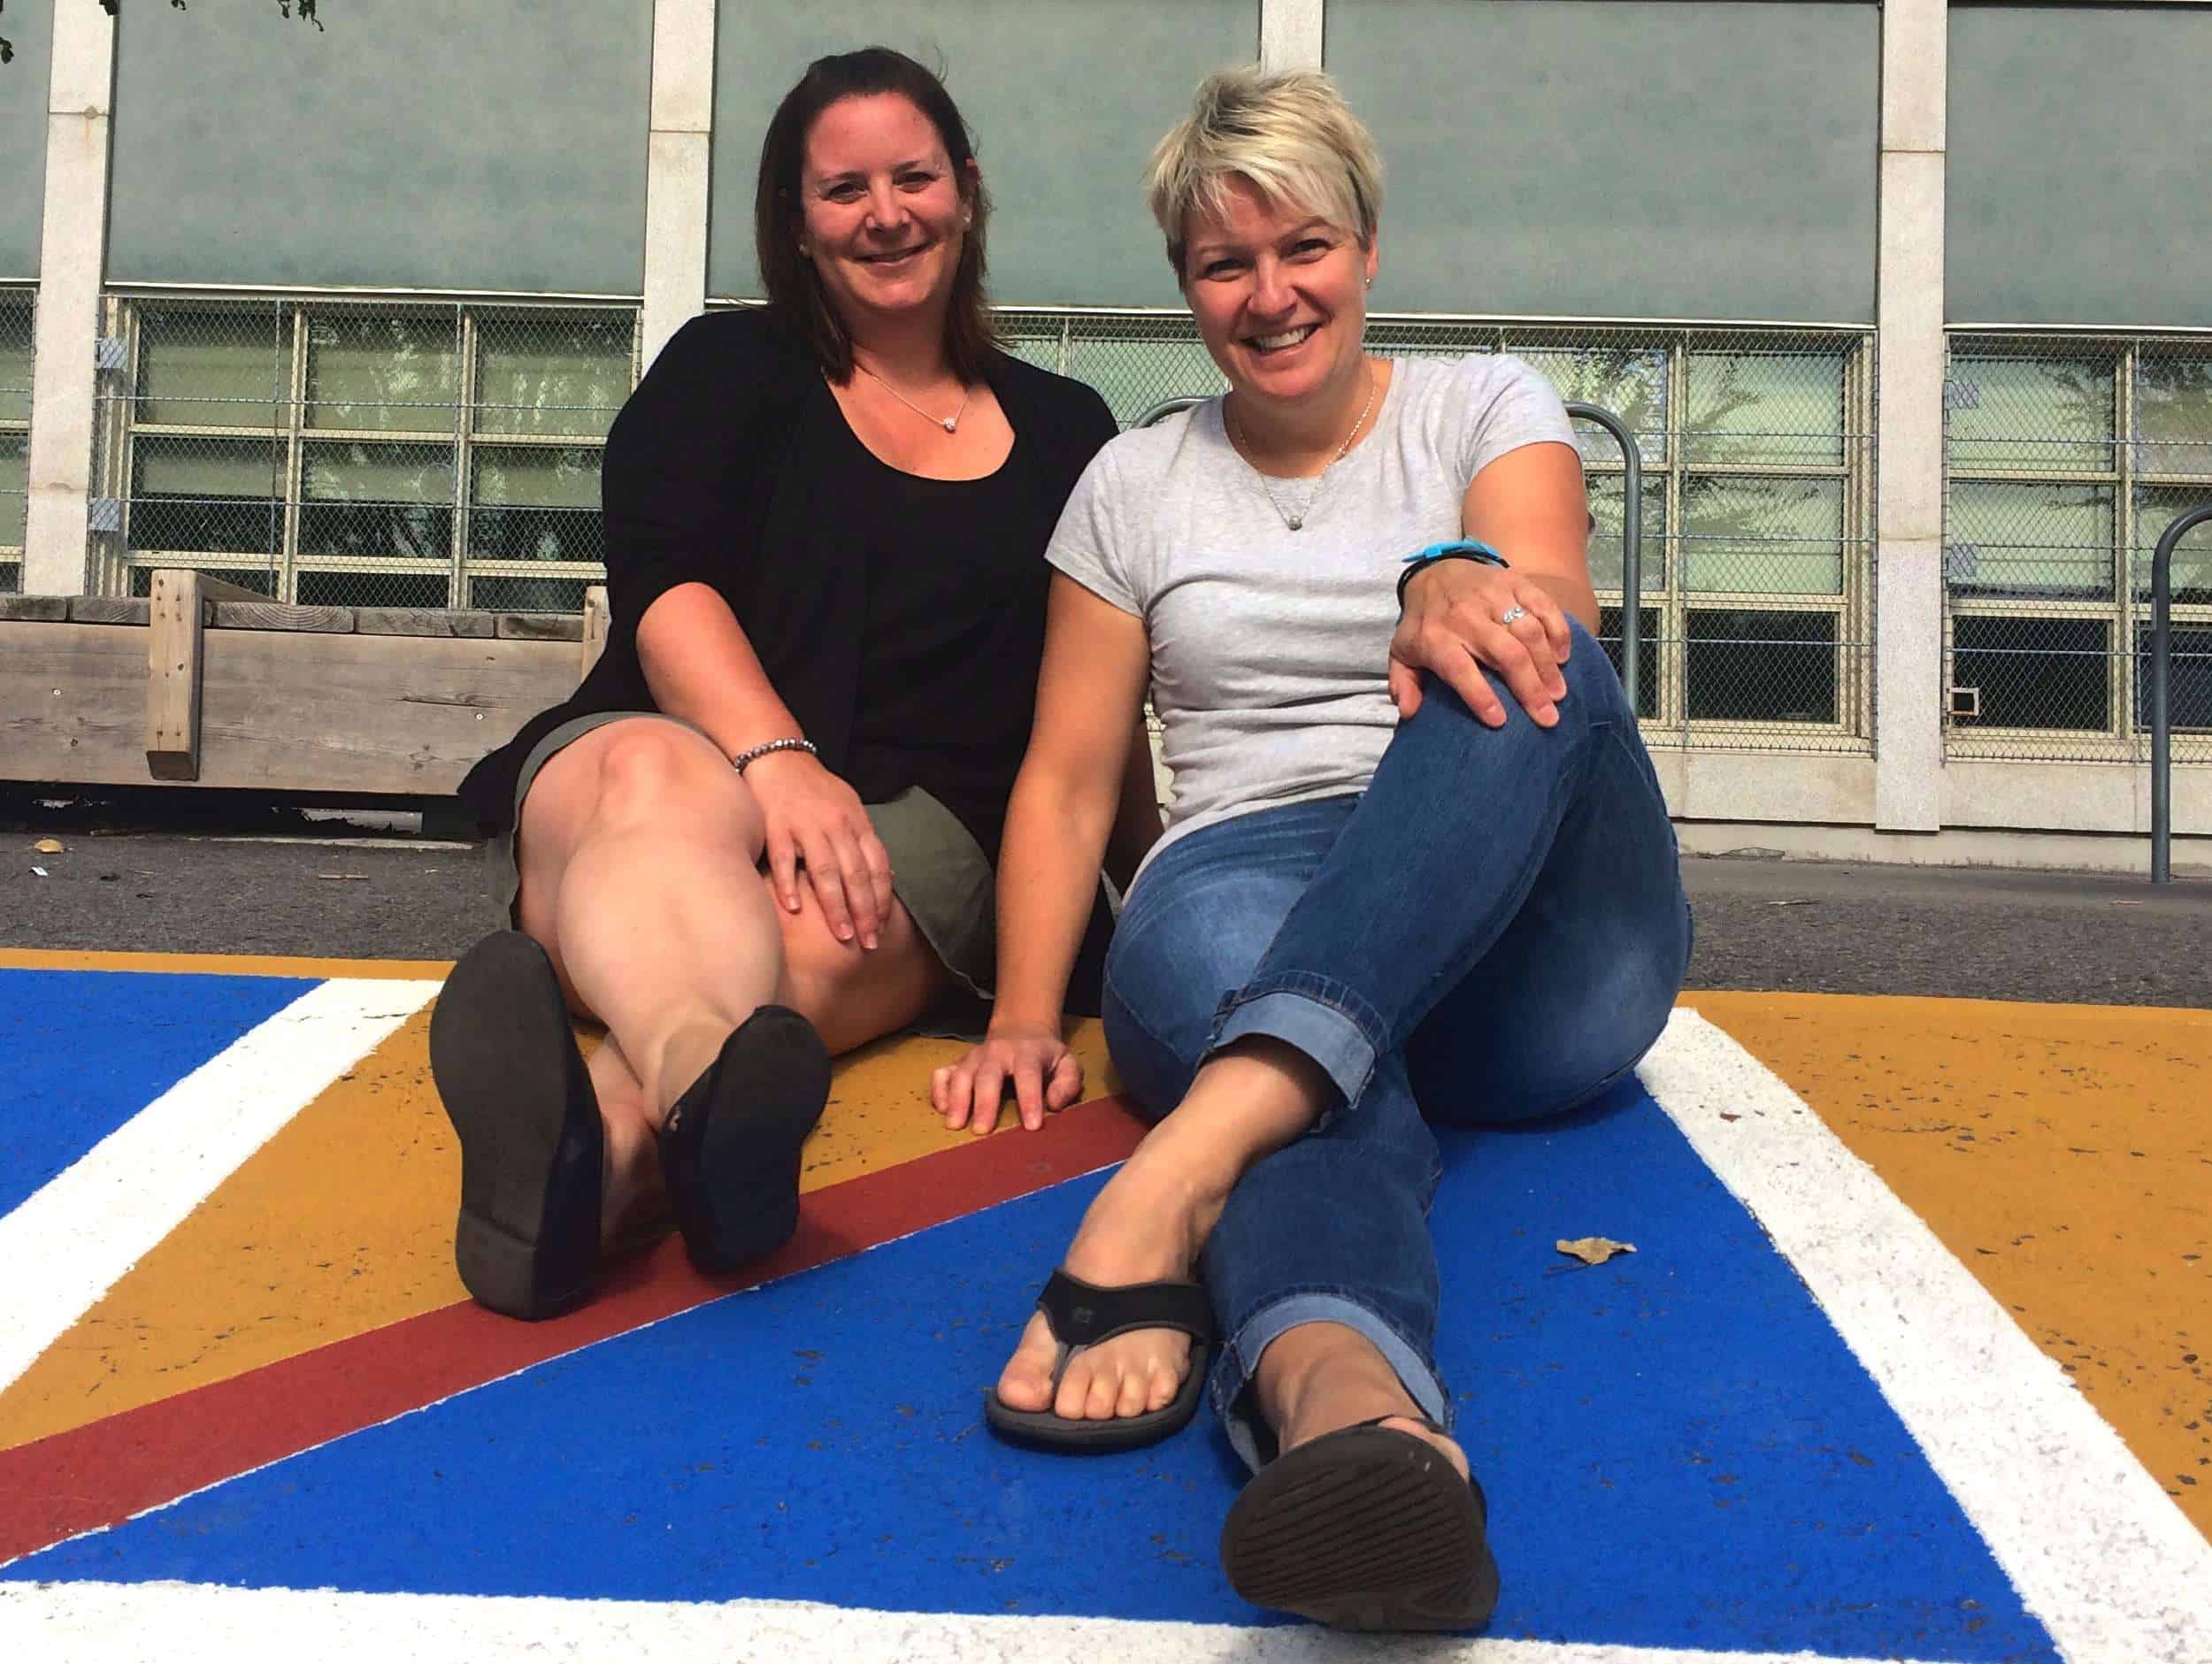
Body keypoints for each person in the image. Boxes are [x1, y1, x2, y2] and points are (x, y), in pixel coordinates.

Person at [932, 67, 1691, 1632]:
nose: (1270, 294)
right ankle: (1351, 1404)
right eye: (1226, 263)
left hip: (1531, 952)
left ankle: (1174, 1174)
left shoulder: (1485, 405)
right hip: (1242, 888)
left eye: (1305, 248)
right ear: (1185, 285)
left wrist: (1447, 580)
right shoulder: (1133, 483)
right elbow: (1070, 780)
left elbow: (1553, 609)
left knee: (1522, 640)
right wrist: (1023, 1012)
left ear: (1366, 246)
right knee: (1304, 1054)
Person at [434, 47, 1157, 1323]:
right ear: (796, 222)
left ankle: (599, 1161)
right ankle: (703, 1100)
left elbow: (1099, 699)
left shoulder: (1068, 431)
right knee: (653, 778)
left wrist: (1158, 896)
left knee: (790, 945)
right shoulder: (727, 369)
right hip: (677, 758)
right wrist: (781, 765)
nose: (886, 213)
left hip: (921, 836)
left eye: (913, 178)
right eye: (845, 190)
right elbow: (668, 589)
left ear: (966, 190)